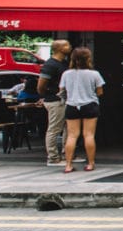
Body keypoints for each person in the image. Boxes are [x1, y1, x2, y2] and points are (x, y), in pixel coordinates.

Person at [59, 47, 104, 173]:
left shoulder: (66, 74)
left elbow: (62, 90)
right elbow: (100, 92)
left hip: (72, 105)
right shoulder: (94, 74)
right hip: (90, 104)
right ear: (88, 59)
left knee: (72, 136)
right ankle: (90, 163)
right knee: (89, 135)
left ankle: (68, 165)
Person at [38, 39, 72, 167]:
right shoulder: (50, 64)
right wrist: (46, 95)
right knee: (54, 129)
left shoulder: (63, 63)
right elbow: (41, 85)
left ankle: (66, 153)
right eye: (66, 45)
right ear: (58, 48)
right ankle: (52, 157)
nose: (69, 46)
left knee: (68, 128)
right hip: (55, 100)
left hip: (63, 100)